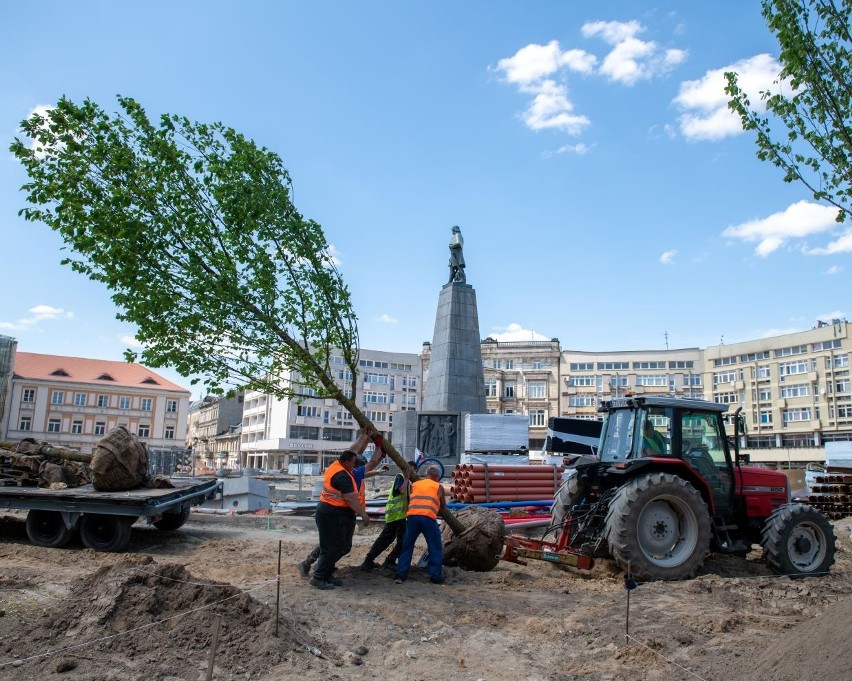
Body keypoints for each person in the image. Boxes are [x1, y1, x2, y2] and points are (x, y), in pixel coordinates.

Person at [298, 431, 383, 580]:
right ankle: (320, 572)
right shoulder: (348, 473)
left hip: (340, 512)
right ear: (351, 463)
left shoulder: (344, 466)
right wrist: (378, 446)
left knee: (335, 545)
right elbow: (372, 463)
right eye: (357, 463)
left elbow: (354, 451)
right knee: (334, 546)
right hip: (334, 512)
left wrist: (364, 437)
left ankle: (314, 564)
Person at [360, 459, 416, 572]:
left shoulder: (407, 481)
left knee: (391, 540)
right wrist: (406, 478)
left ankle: (379, 560)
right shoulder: (401, 477)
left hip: (399, 516)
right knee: (392, 540)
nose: (411, 473)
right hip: (395, 515)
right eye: (410, 470)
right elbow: (401, 490)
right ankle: (377, 560)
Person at [394, 464, 446, 585]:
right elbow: (443, 506)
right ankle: (435, 576)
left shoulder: (415, 484)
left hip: (412, 517)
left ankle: (400, 575)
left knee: (407, 545)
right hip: (428, 518)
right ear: (437, 476)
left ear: (426, 475)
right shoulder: (438, 486)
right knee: (435, 546)